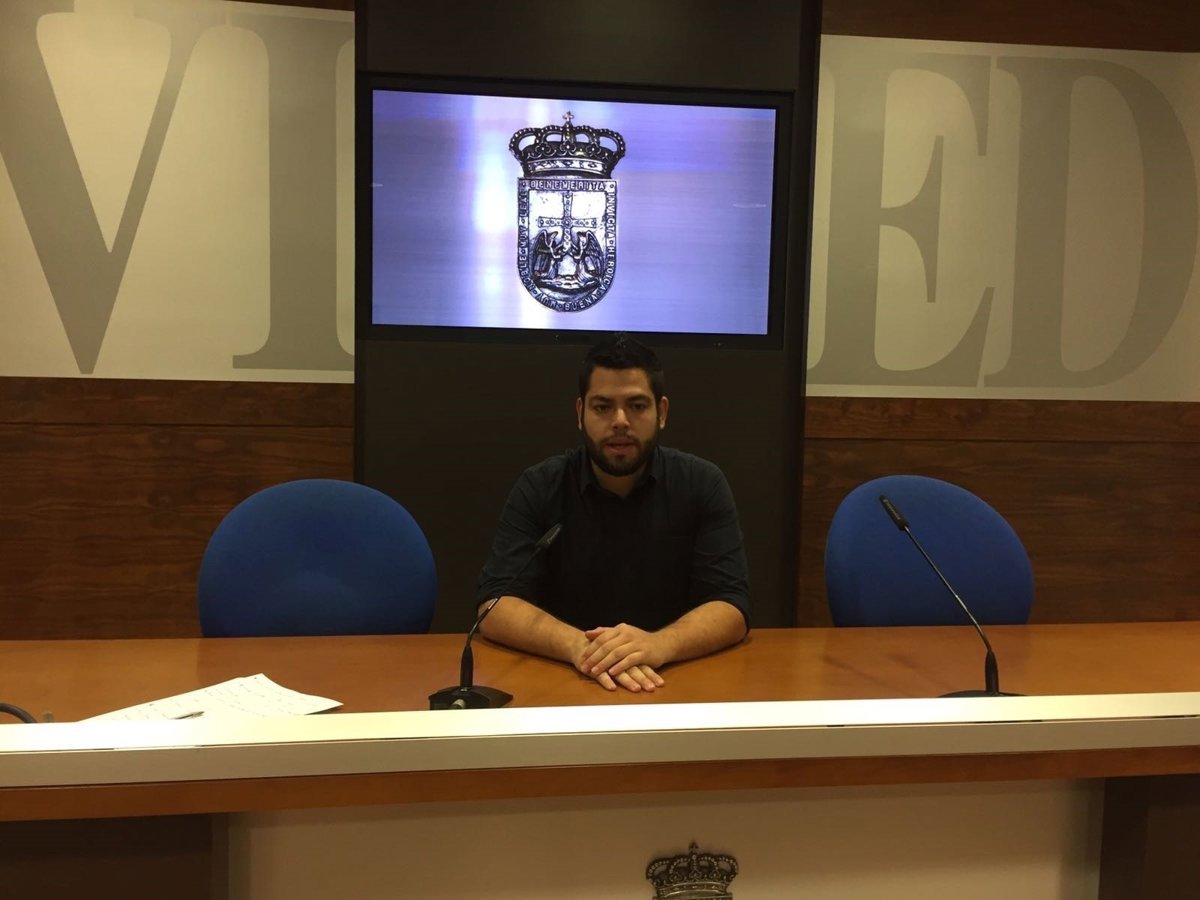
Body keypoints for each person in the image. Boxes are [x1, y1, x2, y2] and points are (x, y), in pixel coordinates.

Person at [475, 334, 750, 693]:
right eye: (603, 407)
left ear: (662, 412)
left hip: (672, 680)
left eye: (637, 406)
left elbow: (731, 605)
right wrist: (580, 647)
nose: (620, 421)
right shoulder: (540, 485)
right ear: (580, 413)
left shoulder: (702, 483)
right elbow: (495, 605)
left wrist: (659, 644)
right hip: (562, 680)